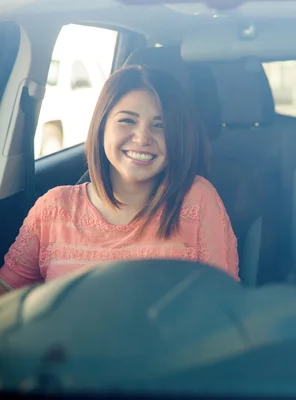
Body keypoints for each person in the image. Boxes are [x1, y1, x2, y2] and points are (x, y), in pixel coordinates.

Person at [0, 66, 239, 294]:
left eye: (160, 125)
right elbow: (8, 293)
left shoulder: (196, 201)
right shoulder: (53, 208)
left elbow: (223, 303)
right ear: (102, 125)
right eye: (128, 120)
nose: (143, 137)